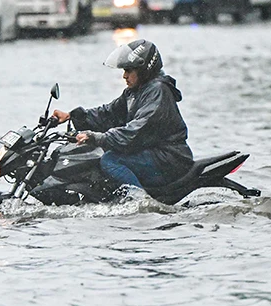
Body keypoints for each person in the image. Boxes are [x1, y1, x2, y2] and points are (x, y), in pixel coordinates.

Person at [52, 39, 193, 192]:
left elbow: (136, 131)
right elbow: (108, 114)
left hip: (169, 159)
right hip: (152, 153)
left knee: (110, 160)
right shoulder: (135, 91)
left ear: (144, 69)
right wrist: (72, 116)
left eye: (129, 70)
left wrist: (96, 137)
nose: (124, 76)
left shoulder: (157, 91)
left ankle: (138, 202)